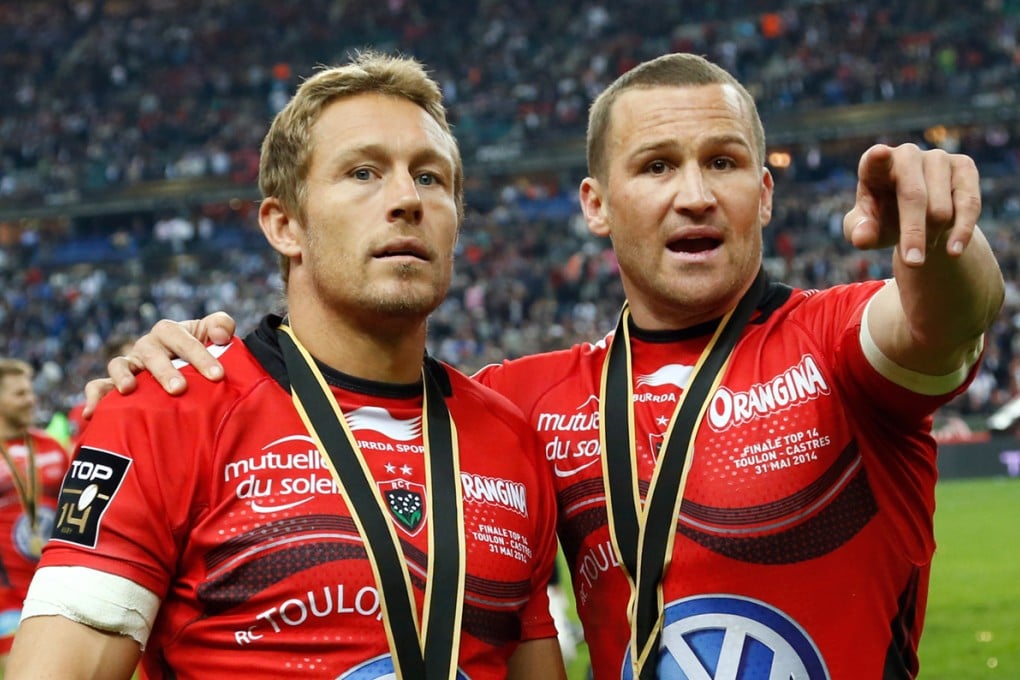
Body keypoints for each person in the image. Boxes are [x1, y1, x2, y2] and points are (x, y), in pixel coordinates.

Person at [82, 52, 1005, 679]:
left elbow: (941, 323)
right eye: (656, 166)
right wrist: (167, 378)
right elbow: (333, 394)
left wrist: (939, 237)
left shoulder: (836, 345)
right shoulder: (515, 407)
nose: (693, 193)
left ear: (763, 192)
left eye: (722, 161)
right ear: (597, 206)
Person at [6, 51, 564, 680]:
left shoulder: (510, 440)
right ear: (284, 225)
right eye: (363, 173)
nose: (408, 198)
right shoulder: (162, 412)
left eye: (431, 178)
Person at [0, 359, 70, 669]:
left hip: (50, 590)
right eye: (19, 394)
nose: (30, 399)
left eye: (30, 392)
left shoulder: (52, 448)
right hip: (4, 596)